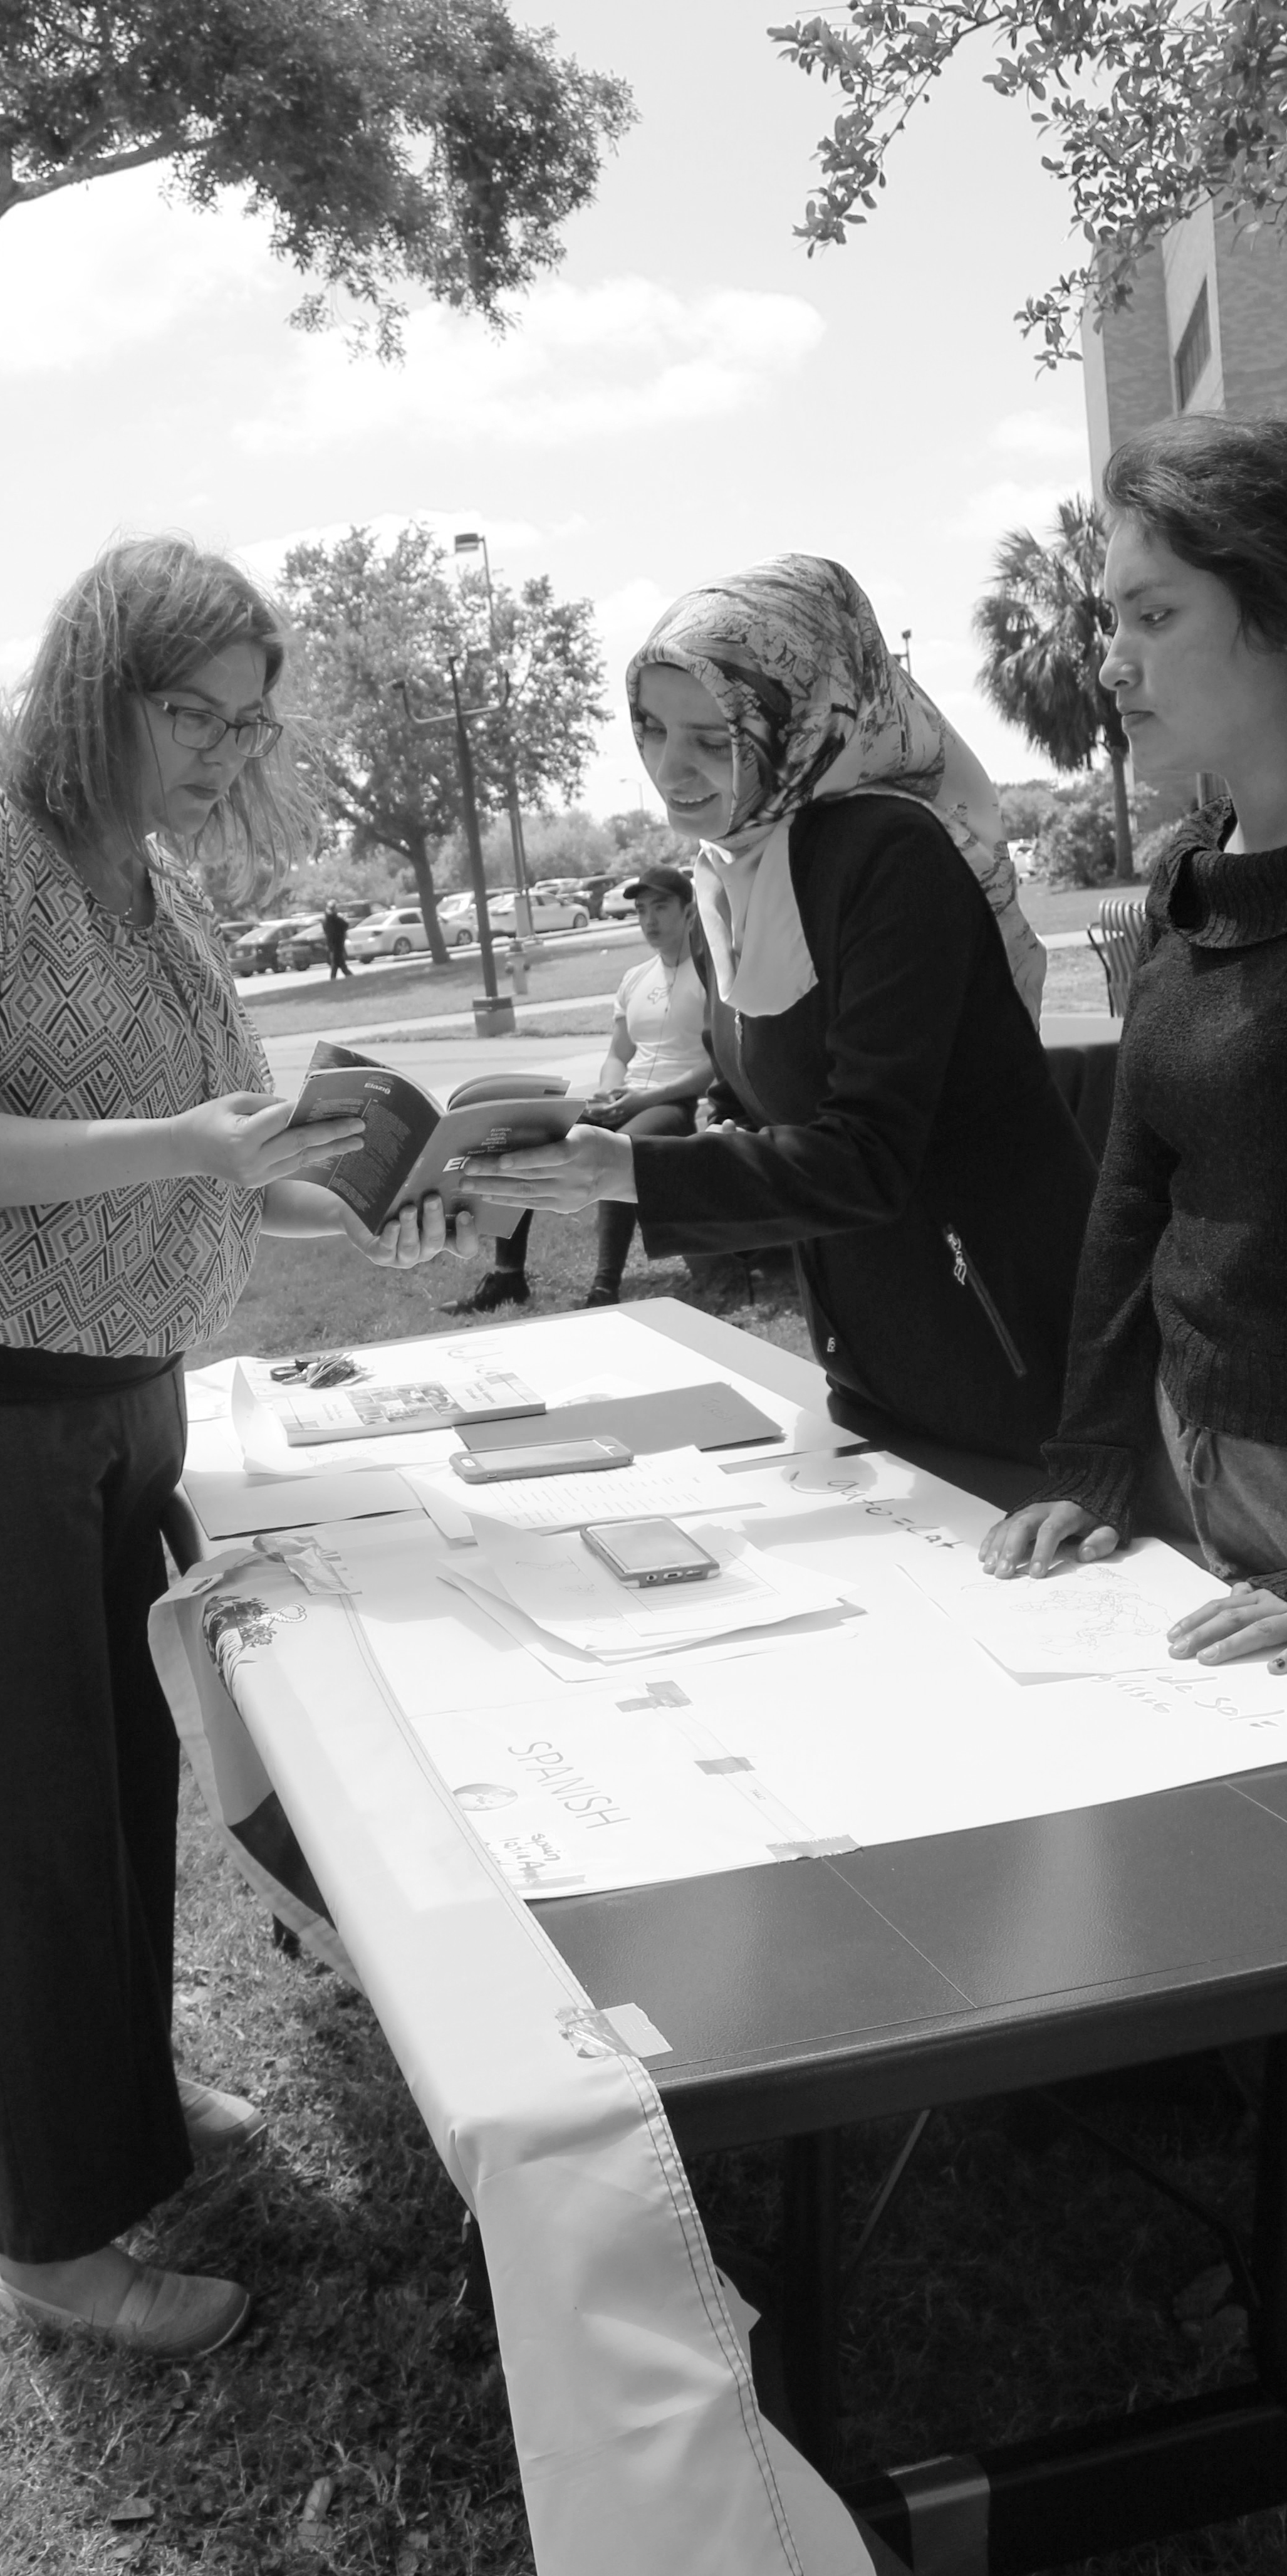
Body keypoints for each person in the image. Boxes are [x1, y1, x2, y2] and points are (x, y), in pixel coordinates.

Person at [0, 536, 462, 2360]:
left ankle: (122, 2095)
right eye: (192, 714)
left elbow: (207, 1145)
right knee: (15, 1813)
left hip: (100, 1381)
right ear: (101, 689)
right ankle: (55, 2243)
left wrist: (373, 1190)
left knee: (111, 1778)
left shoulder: (137, 873)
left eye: (250, 719)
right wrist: (180, 1146)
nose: (229, 751)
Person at [463, 554, 1097, 1467]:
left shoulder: (889, 856)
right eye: (649, 730)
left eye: (712, 740)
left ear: (803, 723)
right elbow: (766, 1099)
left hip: (1007, 1354)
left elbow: (868, 1156)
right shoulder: (733, 873)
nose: (668, 770)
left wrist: (629, 1171)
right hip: (875, 1353)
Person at [980, 415, 1287, 1662]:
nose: (1108, 665)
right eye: (1108, 620)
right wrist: (1095, 1460)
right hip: (1191, 1483)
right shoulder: (1186, 889)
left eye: (1151, 618)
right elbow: (1132, 1197)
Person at [464, 866, 714, 1311]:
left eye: (661, 907)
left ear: (690, 911)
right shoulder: (635, 979)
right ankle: (508, 1276)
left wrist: (644, 1099)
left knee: (619, 1147)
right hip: (627, 1098)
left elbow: (717, 1066)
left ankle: (604, 1290)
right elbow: (618, 1054)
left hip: (675, 1102)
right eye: (641, 910)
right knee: (525, 1132)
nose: (650, 920)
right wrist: (609, 1091)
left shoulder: (711, 975)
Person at [321, 898, 352, 979]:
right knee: (338, 963)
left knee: (337, 964)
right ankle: (349, 977)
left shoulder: (326, 919)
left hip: (332, 944)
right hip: (337, 943)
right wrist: (342, 918)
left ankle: (335, 979)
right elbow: (345, 925)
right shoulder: (334, 918)